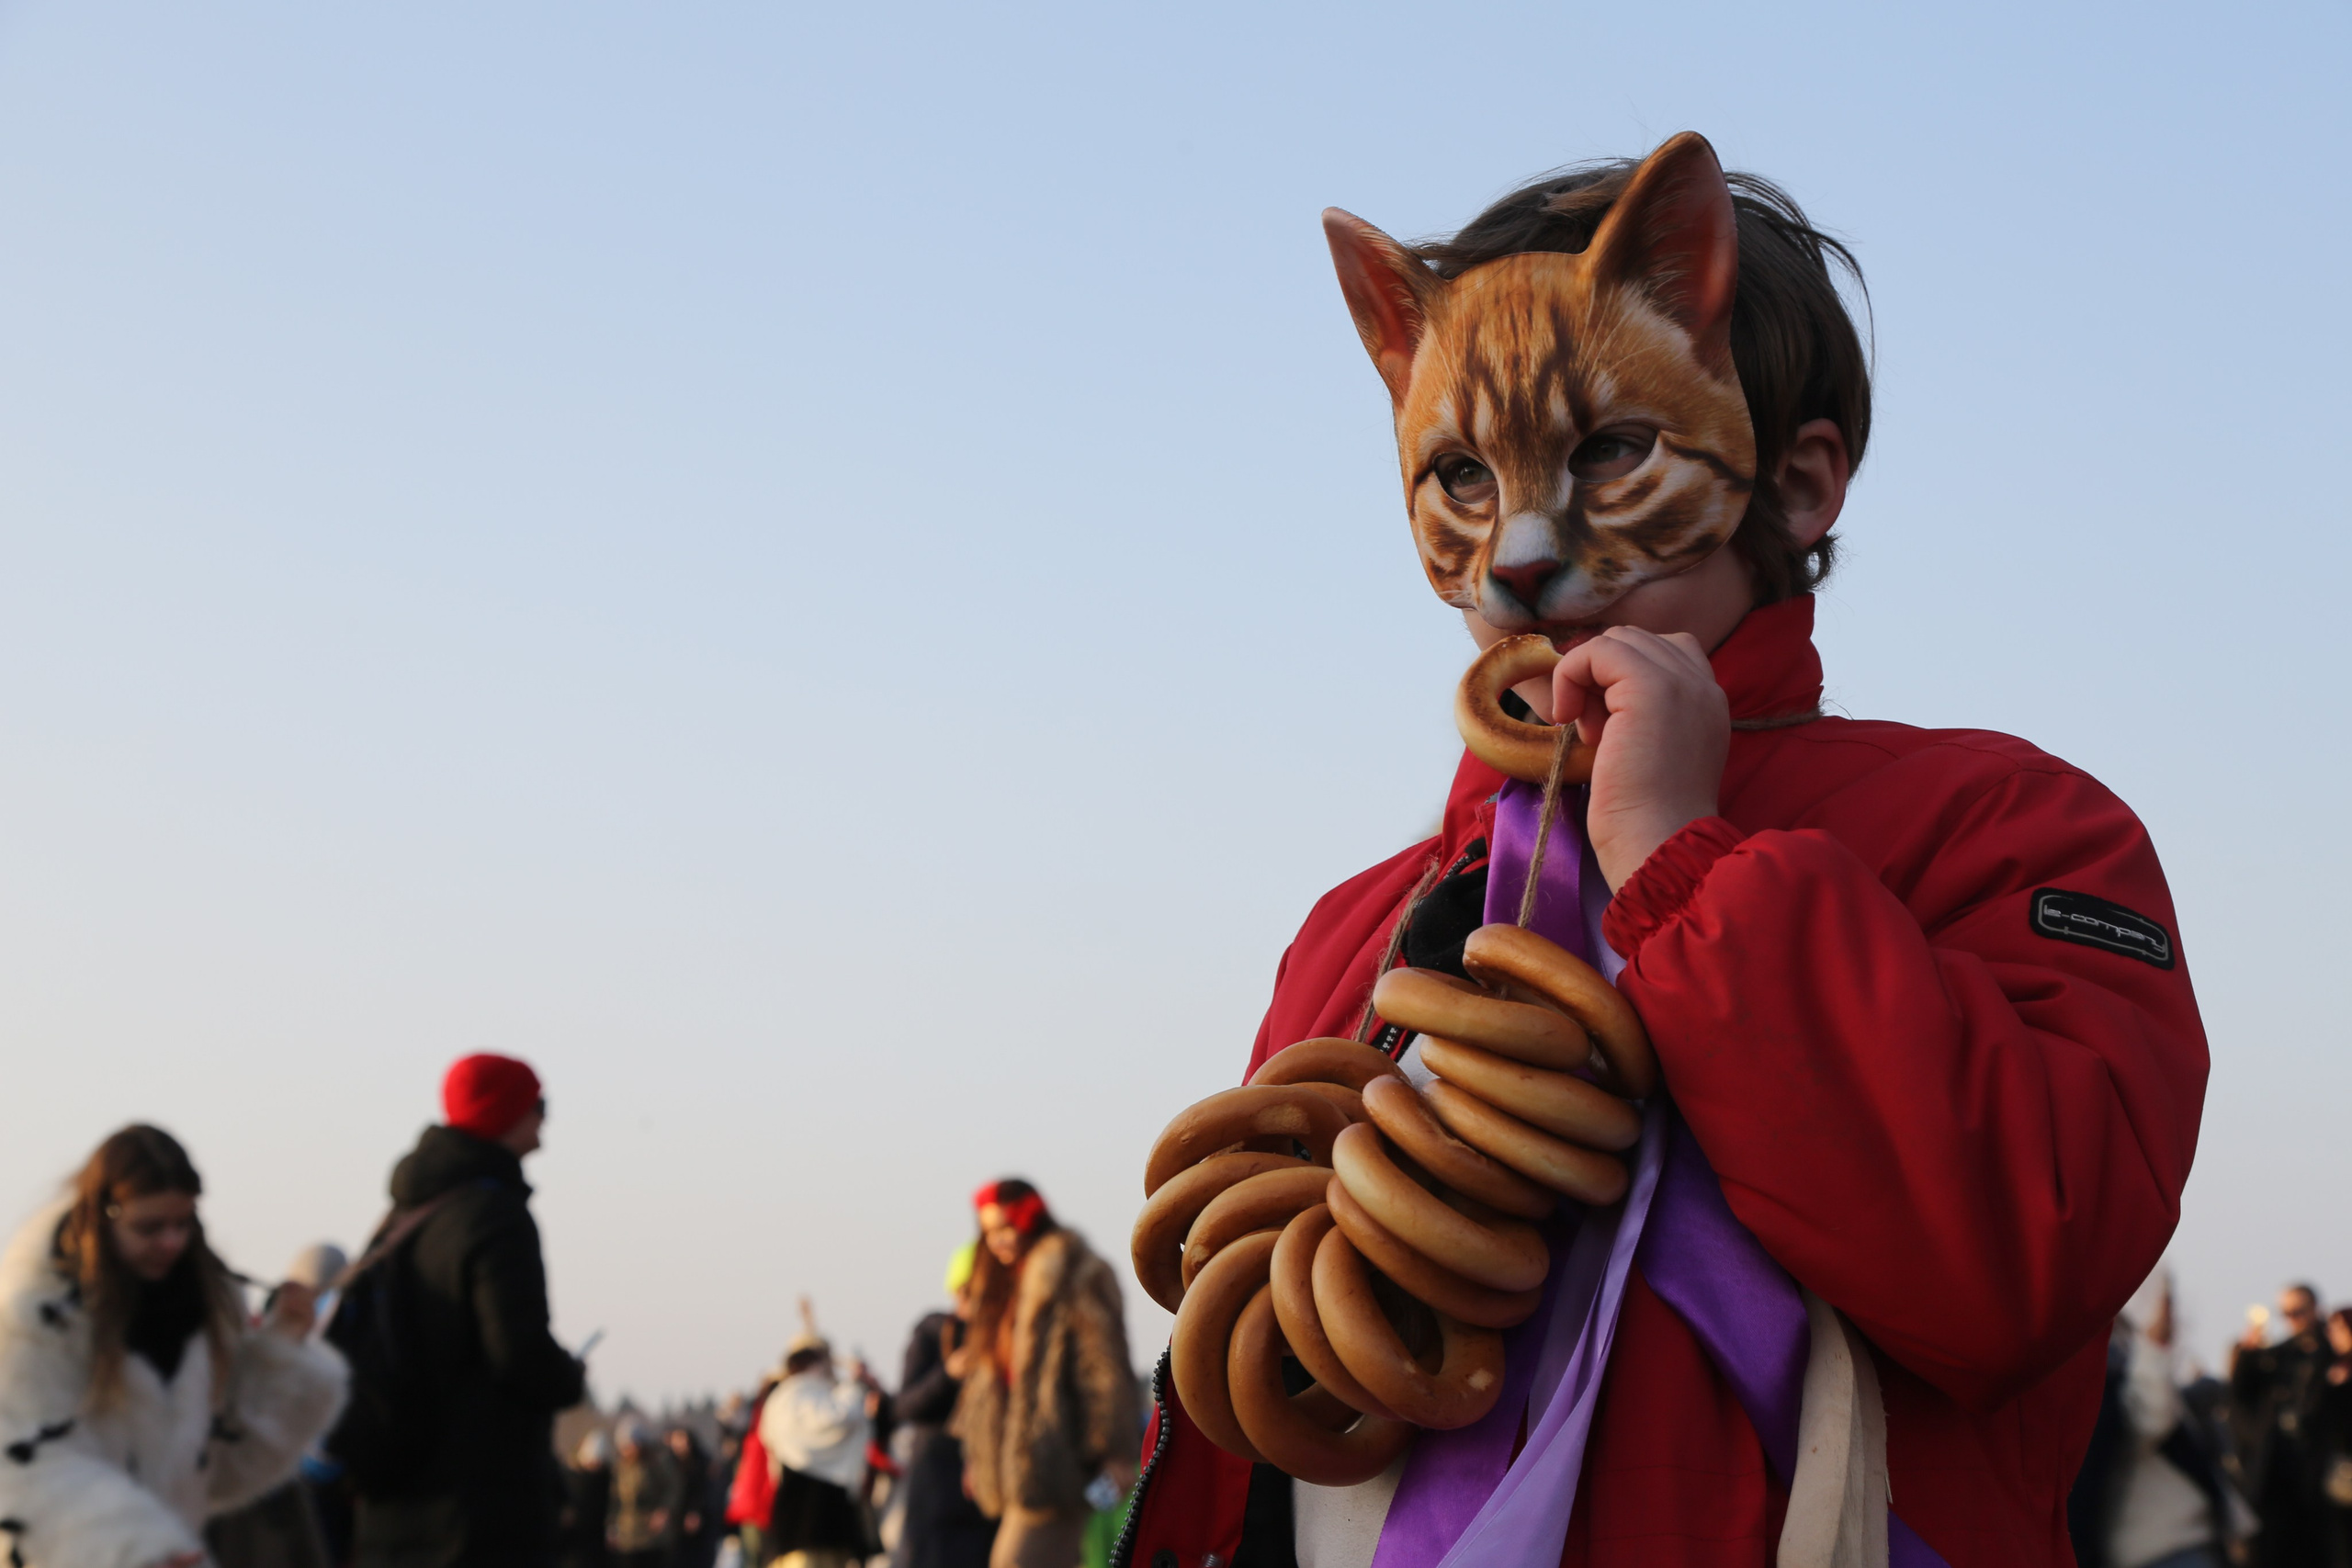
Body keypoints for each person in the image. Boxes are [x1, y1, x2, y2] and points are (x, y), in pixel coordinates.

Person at [1117, 132, 2208, 1568]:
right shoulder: (1354, 928)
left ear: (1802, 486)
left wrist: (1684, 860)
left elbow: (2009, 1262)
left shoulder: (2010, 829)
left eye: (1609, 450)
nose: (1520, 547)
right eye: (1459, 472)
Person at [0, 1124, 348, 1567]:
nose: (170, 1242)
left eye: (182, 1224)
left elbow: (225, 1470)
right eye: (149, 1227)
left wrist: (281, 1350)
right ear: (104, 1216)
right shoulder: (35, 1319)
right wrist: (138, 1552)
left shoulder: (208, 1312)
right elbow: (27, 1472)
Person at [350, 1053, 588, 1568]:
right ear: (506, 1112)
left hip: (393, 1493)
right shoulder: (495, 1217)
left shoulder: (403, 1214)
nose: (545, 1119)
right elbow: (518, 1352)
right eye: (538, 1104)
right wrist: (568, 1376)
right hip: (478, 1507)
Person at [952, 1180, 1138, 1568]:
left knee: (1013, 1562)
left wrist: (1114, 1451)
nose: (997, 1241)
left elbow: (1103, 1370)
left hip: (1060, 1461)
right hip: (1018, 1467)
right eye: (988, 1233)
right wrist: (979, 1452)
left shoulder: (1076, 1272)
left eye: (1005, 1228)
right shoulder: (1002, 1285)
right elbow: (989, 1382)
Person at [2070, 1271, 2243, 1568]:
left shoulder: (2118, 1346)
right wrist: (2155, 1346)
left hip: (2174, 1541)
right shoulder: (2097, 1354)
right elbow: (2149, 1421)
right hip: (2160, 1546)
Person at [888, 1244, 998, 1568]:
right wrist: (947, 1375)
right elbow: (903, 1407)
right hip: (936, 1490)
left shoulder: (1003, 1335)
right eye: (965, 1292)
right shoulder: (932, 1333)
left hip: (988, 1492)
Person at [2233, 1284, 2336, 1568]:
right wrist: (2247, 1356)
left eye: (2298, 1312)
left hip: (2320, 1477)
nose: (2293, 1320)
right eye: (2286, 1313)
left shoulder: (2331, 1351)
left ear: (2315, 1309)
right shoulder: (2277, 1355)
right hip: (2276, 1475)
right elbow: (2240, 1398)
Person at [756, 1322, 872, 1568]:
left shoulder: (779, 1400)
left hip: (824, 1518)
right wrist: (854, 1385)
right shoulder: (798, 1396)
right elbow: (838, 1417)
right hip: (805, 1519)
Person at [608, 1417, 684, 1568]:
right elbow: (614, 1499)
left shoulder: (658, 1462)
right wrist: (611, 1526)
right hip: (627, 1537)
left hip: (653, 1537)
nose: (628, 1450)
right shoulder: (619, 1468)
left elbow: (674, 1488)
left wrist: (664, 1511)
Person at [560, 1429, 614, 1568]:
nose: (595, 1466)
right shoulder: (572, 1478)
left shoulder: (608, 1480)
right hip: (576, 1544)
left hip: (597, 1544)